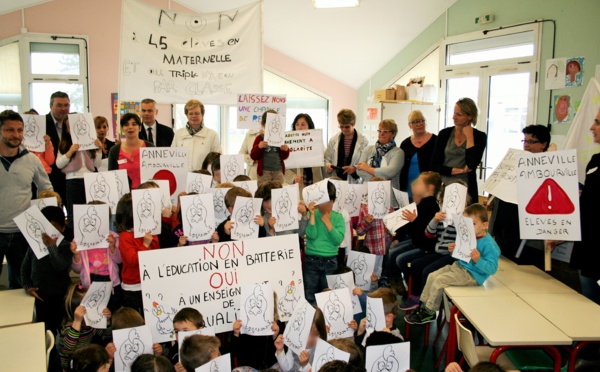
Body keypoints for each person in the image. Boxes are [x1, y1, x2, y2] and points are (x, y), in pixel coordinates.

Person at [405, 204, 499, 325]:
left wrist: (478, 260)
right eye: (465, 224)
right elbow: (460, 256)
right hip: (460, 267)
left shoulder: (489, 245)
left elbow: (492, 269)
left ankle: (430, 311)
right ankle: (424, 305)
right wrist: (453, 250)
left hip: (473, 275)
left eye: (473, 224)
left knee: (440, 280)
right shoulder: (468, 236)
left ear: (485, 225)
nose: (468, 227)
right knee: (432, 275)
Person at [0, 110, 53, 289]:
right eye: (10, 130)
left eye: (20, 130)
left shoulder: (31, 160)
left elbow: (46, 189)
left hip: (23, 232)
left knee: (21, 283)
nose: (16, 135)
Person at [490, 125, 550, 260]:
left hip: (526, 237)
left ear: (543, 144)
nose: (526, 145)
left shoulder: (549, 169)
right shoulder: (513, 163)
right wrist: (492, 201)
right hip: (503, 231)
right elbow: (498, 188)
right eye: (525, 141)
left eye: (532, 142)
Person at [21, 206, 73, 334]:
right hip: (41, 297)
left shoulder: (66, 246)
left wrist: (51, 247)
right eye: (45, 228)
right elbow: (24, 268)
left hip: (61, 296)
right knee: (45, 329)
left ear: (62, 228)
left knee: (62, 329)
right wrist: (28, 286)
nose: (49, 233)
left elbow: (60, 266)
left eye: (53, 228)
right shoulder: (34, 245)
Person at [431, 98, 487, 205]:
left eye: (459, 114)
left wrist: (470, 137)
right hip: (443, 186)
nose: (454, 117)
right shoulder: (444, 134)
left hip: (467, 189)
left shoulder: (480, 136)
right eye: (454, 113)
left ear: (469, 116)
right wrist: (461, 170)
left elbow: (471, 164)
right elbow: (434, 165)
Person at [570, 109, 600, 304]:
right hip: (588, 249)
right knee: (589, 307)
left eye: (597, 122)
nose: (591, 127)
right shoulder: (595, 161)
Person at [71, 201, 122, 312]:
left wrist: (113, 247)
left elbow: (119, 260)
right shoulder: (80, 240)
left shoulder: (112, 237)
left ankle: (112, 327)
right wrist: (76, 255)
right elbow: (77, 269)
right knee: (93, 312)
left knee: (113, 310)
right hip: (90, 281)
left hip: (111, 281)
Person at [115, 193, 159, 314]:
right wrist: (145, 245)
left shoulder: (149, 232)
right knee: (134, 318)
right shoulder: (125, 236)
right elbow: (133, 261)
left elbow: (156, 255)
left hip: (149, 283)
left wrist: (151, 240)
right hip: (133, 288)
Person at [56, 116, 103, 227]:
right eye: (70, 128)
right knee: (74, 211)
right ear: (67, 130)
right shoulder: (64, 145)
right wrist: (70, 152)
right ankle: (75, 237)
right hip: (73, 180)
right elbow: (58, 164)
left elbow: (97, 164)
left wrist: (99, 150)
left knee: (91, 209)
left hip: (90, 179)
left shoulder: (89, 144)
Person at [304, 181, 345, 304]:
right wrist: (311, 215)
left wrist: (328, 224)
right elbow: (311, 235)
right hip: (311, 260)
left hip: (330, 261)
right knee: (310, 294)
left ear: (333, 201)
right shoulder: (313, 213)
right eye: (322, 202)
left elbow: (338, 240)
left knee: (328, 296)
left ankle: (325, 322)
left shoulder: (338, 217)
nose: (324, 205)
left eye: (328, 202)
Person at [58, 284, 112, 370]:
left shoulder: (90, 323)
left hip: (85, 360)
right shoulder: (68, 327)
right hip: (70, 365)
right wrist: (77, 321)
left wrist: (107, 321)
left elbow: (106, 336)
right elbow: (68, 349)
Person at [357, 119, 404, 200]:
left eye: (385, 131)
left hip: (388, 196)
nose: (381, 133)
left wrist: (367, 168)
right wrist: (375, 180)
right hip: (366, 194)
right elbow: (359, 170)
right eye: (380, 131)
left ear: (393, 134)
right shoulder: (368, 149)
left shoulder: (398, 152)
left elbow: (390, 172)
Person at [356, 177, 394, 277]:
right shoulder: (365, 209)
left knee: (381, 273)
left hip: (386, 249)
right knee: (370, 276)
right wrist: (366, 223)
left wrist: (392, 222)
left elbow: (393, 231)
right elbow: (359, 232)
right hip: (371, 249)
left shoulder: (389, 208)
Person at [231, 296, 282, 369]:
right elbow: (235, 353)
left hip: (271, 368)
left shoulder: (278, 325)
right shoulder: (243, 325)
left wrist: (275, 336)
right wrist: (236, 334)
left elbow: (282, 357)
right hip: (249, 367)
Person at [171, 99, 221, 172]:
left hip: (204, 177)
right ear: (187, 115)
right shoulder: (179, 134)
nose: (194, 116)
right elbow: (172, 158)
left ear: (202, 114)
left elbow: (218, 160)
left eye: (197, 113)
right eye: (191, 113)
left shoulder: (212, 135)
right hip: (182, 178)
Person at [108, 113, 154, 189]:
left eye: (134, 124)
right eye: (126, 125)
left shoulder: (150, 147)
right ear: (122, 128)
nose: (130, 127)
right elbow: (111, 177)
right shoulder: (114, 151)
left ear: (140, 128)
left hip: (147, 194)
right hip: (124, 198)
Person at [398, 110, 437, 198]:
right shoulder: (405, 144)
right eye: (415, 122)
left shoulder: (436, 141)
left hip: (428, 187)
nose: (419, 124)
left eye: (421, 121)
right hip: (408, 187)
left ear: (425, 122)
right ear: (409, 125)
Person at [275, 306, 327, 372]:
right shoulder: (294, 344)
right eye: (307, 334)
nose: (310, 339)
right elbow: (287, 368)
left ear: (322, 332)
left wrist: (305, 365)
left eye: (316, 335)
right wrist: (280, 351)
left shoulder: (321, 349)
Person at [325, 109, 369, 183]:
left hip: (354, 181)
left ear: (354, 123)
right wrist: (328, 166)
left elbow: (366, 163)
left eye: (347, 127)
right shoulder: (333, 140)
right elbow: (326, 159)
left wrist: (355, 168)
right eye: (341, 127)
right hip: (336, 179)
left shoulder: (363, 141)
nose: (344, 129)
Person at [250, 110, 290, 185]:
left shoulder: (280, 138)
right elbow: (253, 156)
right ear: (264, 124)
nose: (273, 126)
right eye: (269, 123)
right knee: (264, 191)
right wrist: (259, 147)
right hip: (264, 172)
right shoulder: (260, 138)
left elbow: (284, 156)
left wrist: (286, 150)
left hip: (278, 171)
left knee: (278, 192)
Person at [287, 113, 325, 189]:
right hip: (298, 183)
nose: (299, 127)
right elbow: (283, 167)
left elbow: (324, 161)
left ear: (309, 126)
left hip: (315, 183)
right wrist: (293, 178)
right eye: (297, 124)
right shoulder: (289, 143)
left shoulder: (317, 141)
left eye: (303, 124)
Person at [46, 91, 70, 204]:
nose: (63, 109)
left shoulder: (74, 123)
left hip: (70, 177)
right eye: (59, 105)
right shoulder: (43, 124)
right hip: (51, 177)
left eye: (66, 105)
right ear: (51, 106)